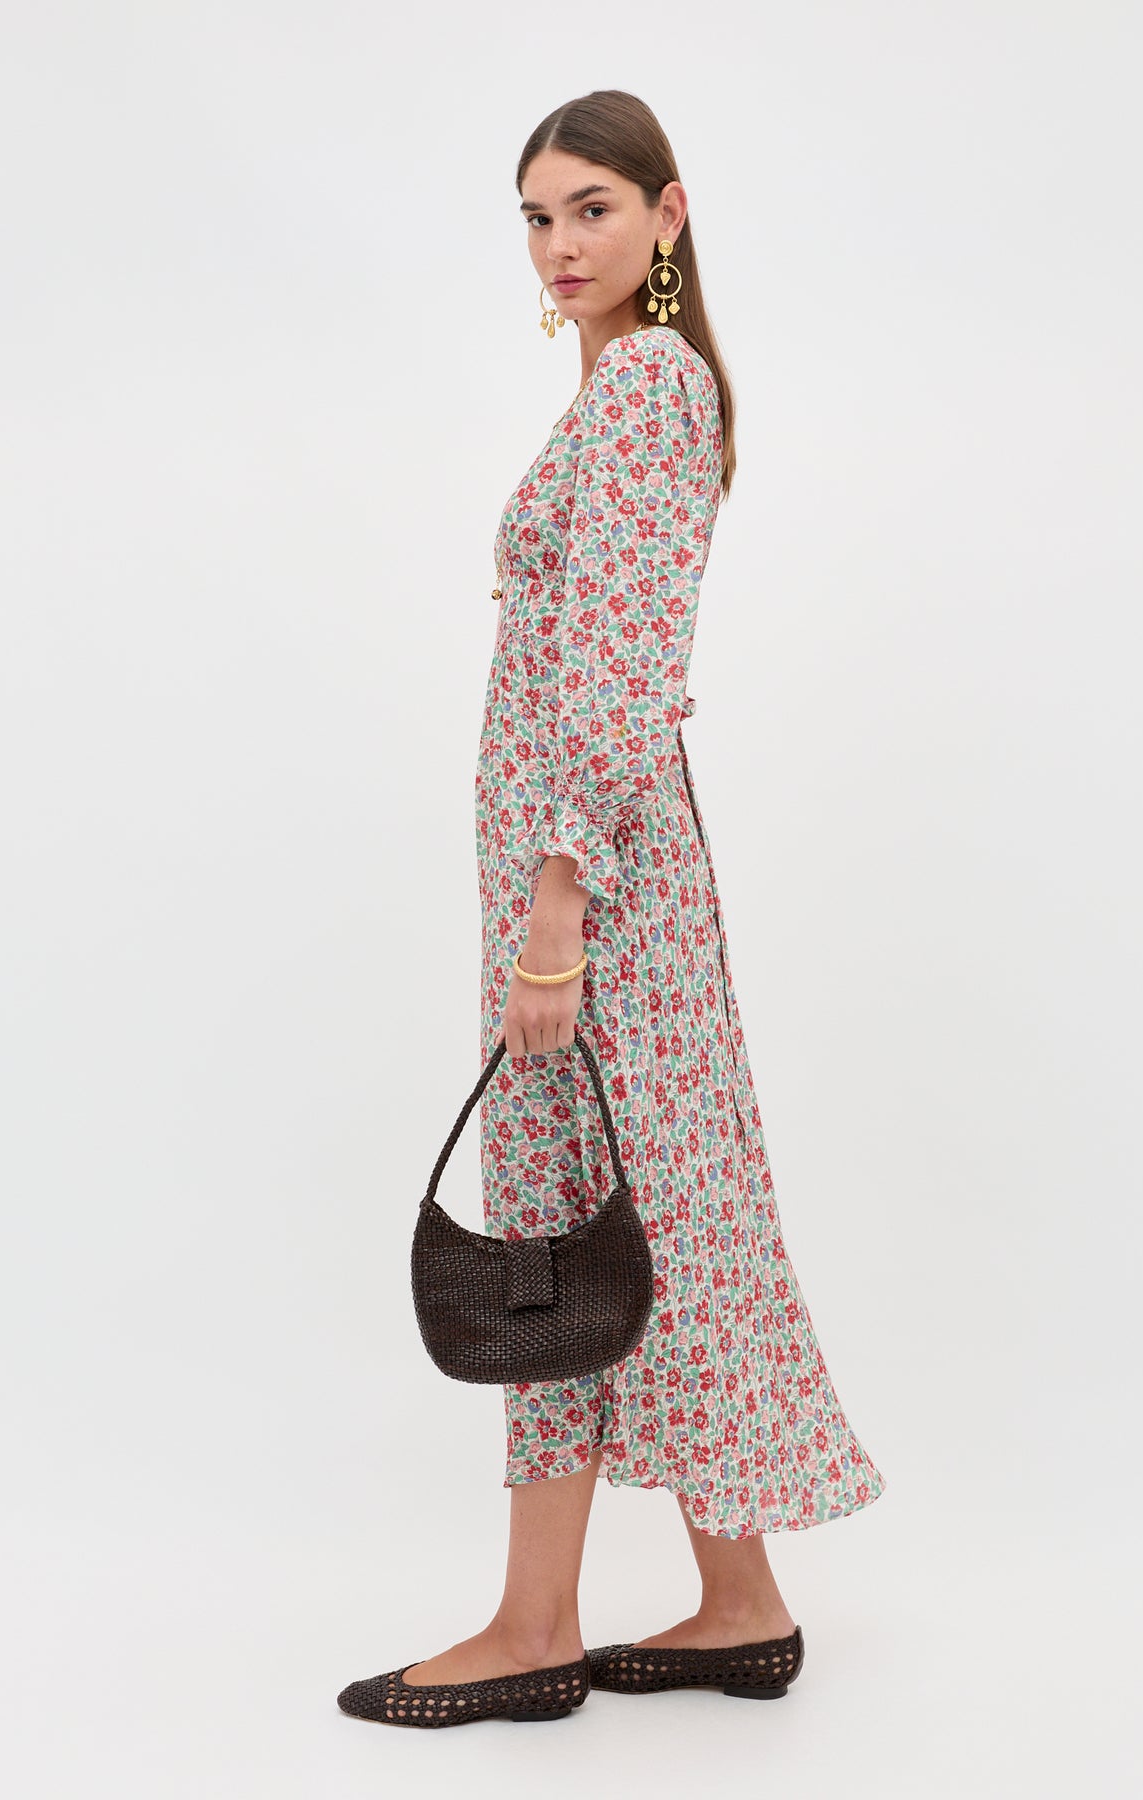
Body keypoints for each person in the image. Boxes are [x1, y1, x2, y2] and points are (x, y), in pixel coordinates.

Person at [337, 87, 886, 1731]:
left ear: (668, 214)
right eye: (536, 215)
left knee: (562, 1238)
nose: (560, 243)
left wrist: (557, 916)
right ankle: (741, 1600)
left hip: (599, 898)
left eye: (591, 207)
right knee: (663, 1224)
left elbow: (626, 684)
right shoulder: (635, 386)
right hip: (600, 886)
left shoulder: (647, 385)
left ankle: (532, 1627)